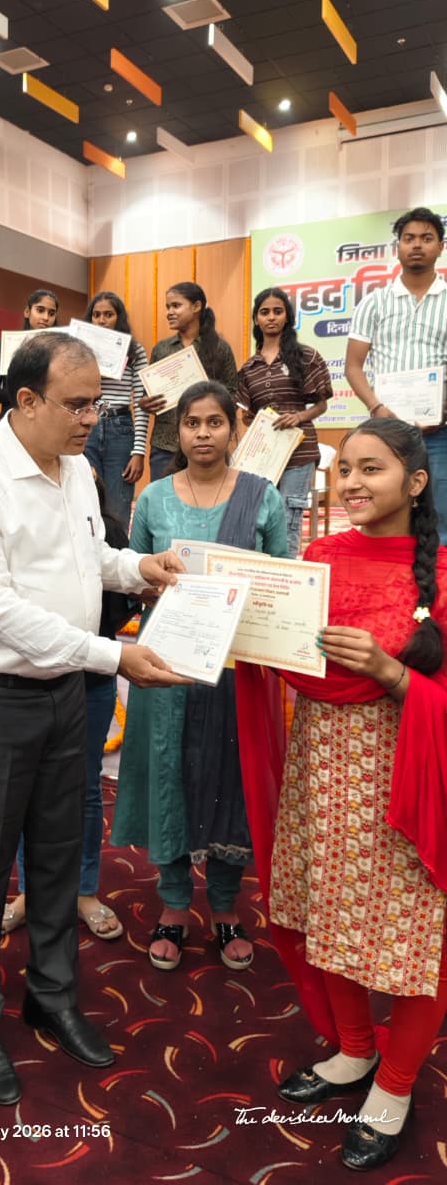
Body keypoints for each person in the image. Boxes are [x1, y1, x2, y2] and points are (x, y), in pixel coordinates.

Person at [0, 332, 188, 1107]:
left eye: (97, 403)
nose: (91, 420)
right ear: (25, 399)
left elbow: (90, 560)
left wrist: (139, 569)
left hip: (63, 697)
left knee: (57, 857)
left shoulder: (75, 470)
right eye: (77, 405)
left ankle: (52, 993)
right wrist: (111, 657)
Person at [242, 418, 447, 1171]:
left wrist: (393, 675)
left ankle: (395, 1085)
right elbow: (287, 653)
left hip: (407, 784)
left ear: (415, 483)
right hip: (323, 773)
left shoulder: (443, 574)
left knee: (415, 942)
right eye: (346, 468)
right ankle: (355, 1050)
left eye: (372, 469)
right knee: (328, 916)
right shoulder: (318, 560)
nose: (353, 482)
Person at [111, 381, 288, 973]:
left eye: (215, 422)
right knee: (170, 776)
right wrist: (153, 587)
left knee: (230, 777)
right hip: (168, 666)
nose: (204, 433)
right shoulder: (154, 498)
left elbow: (284, 578)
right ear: (178, 430)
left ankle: (226, 905)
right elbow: (135, 575)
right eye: (192, 423)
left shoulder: (262, 497)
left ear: (234, 429)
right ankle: (172, 904)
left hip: (240, 669)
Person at [2, 472, 137, 941]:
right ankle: (29, 890)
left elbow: (120, 606)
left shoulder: (107, 532)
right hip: (31, 676)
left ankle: (83, 889)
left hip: (92, 679)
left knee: (84, 787)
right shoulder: (23, 526)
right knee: (28, 788)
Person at [345, 206, 447, 543]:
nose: (417, 244)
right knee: (385, 517)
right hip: (386, 432)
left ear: (440, 247)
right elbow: (353, 366)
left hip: (440, 433)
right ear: (397, 247)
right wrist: (376, 408)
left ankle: (437, 577)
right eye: (409, 238)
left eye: (426, 238)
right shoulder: (374, 302)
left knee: (441, 517)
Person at [237, 287, 333, 557]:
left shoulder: (306, 356)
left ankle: (287, 573)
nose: (271, 317)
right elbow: (246, 413)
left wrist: (298, 417)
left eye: (277, 311)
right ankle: (264, 571)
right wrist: (251, 419)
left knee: (289, 516)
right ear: (256, 319)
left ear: (287, 317)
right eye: (264, 312)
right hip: (264, 455)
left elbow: (321, 404)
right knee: (261, 515)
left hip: (299, 451)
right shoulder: (249, 368)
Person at [139, 282, 239, 481]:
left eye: (176, 306)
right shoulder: (161, 349)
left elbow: (233, 395)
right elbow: (146, 394)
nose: (169, 312)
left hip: (206, 445)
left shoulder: (220, 348)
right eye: (167, 307)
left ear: (196, 306)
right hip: (165, 446)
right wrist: (145, 404)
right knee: (164, 498)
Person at [82, 291, 149, 530]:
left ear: (118, 317)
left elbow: (141, 401)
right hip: (87, 426)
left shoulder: (135, 350)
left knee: (118, 507)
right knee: (87, 501)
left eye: (108, 314)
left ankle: (118, 551)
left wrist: (138, 451)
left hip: (120, 428)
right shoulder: (79, 351)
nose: (101, 320)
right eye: (96, 315)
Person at [0, 287, 59, 418]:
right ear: (27, 312)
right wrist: (23, 391)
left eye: (51, 313)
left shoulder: (58, 350)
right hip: (12, 419)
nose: (46, 317)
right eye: (40, 310)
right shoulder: (5, 345)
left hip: (46, 420)